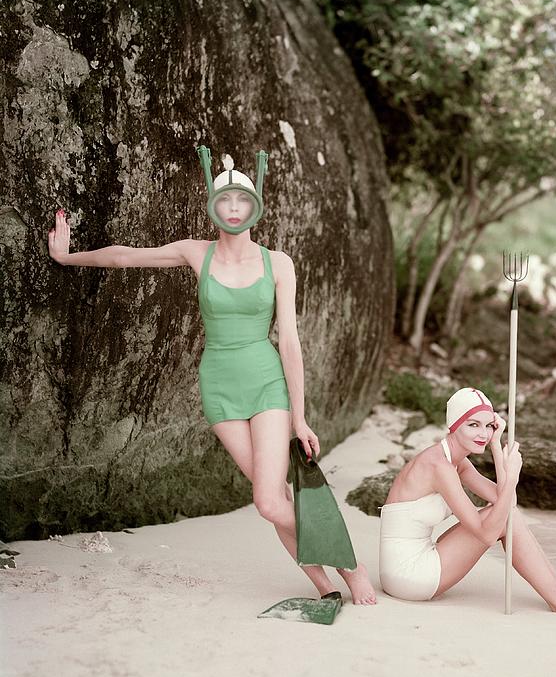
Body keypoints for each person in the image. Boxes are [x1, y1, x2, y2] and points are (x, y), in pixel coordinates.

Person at [47, 147, 376, 605]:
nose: (235, 210)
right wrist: (68, 258)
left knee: (266, 501)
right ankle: (325, 588)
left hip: (267, 385)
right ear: (214, 208)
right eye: (226, 203)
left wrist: (299, 418)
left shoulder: (278, 262)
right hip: (219, 387)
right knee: (276, 498)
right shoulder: (195, 253)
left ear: (254, 206)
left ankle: (351, 569)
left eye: (242, 202)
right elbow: (125, 258)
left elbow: (290, 342)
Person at [379, 387, 556, 616]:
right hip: (409, 576)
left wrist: (496, 447)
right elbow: (487, 531)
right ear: (453, 426)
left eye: (488, 426)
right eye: (473, 425)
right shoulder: (438, 465)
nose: (483, 433)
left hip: (416, 560)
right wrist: (511, 476)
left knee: (503, 515)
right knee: (498, 521)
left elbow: (506, 502)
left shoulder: (458, 461)